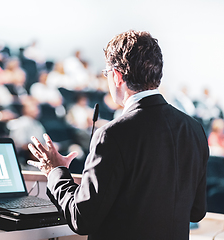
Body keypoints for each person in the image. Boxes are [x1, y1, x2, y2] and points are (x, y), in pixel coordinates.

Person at [27, 30, 209, 239]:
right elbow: (197, 211)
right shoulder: (194, 129)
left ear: (117, 75)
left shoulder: (112, 135)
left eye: (107, 74)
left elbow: (82, 218)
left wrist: (55, 171)